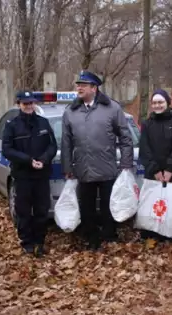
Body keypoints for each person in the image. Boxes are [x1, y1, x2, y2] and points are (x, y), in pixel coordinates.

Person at [61, 70, 134, 251]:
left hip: (107, 167)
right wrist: (67, 166)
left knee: (109, 204)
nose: (79, 87)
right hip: (83, 169)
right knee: (87, 207)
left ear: (94, 88)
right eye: (78, 84)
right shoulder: (70, 111)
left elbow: (126, 137)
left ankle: (109, 235)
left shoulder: (112, 108)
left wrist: (126, 163)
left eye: (83, 85)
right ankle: (90, 237)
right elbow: (66, 143)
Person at [2, 90, 58, 257]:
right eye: (25, 103)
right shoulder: (11, 125)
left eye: (31, 103)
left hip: (41, 174)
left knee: (42, 210)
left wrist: (44, 159)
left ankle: (40, 241)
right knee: (23, 211)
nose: (29, 106)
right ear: (19, 104)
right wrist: (28, 160)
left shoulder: (43, 123)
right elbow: (7, 149)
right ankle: (27, 242)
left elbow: (52, 146)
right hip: (23, 175)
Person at [138, 88, 172, 243]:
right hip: (153, 173)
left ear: (167, 103)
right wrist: (155, 170)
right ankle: (154, 236)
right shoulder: (147, 124)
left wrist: (169, 168)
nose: (157, 105)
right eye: (154, 103)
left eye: (160, 102)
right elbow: (145, 148)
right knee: (154, 204)